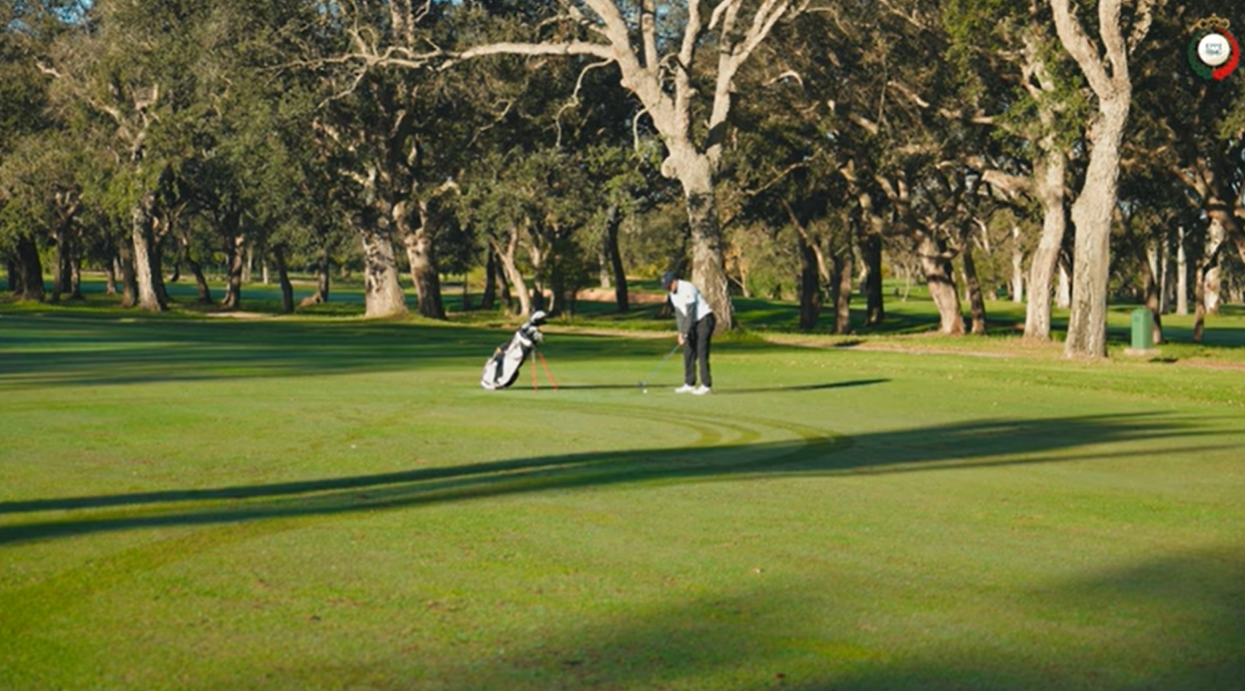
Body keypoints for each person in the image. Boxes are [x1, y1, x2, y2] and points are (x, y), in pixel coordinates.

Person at [661, 271, 715, 395]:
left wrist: (685, 332)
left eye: (669, 285)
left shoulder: (687, 288)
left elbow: (691, 312)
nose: (668, 288)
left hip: (704, 320)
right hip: (693, 322)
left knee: (701, 351)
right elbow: (680, 314)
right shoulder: (672, 294)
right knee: (688, 352)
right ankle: (689, 383)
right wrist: (681, 332)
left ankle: (706, 385)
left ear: (674, 281)